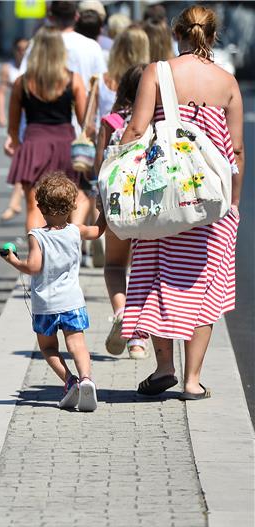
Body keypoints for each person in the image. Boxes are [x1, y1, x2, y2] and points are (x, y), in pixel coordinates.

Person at [119, 5, 243, 400]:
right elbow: (236, 150)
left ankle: (164, 367)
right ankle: (192, 381)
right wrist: (234, 204)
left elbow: (137, 129)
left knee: (158, 278)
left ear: (177, 34)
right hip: (211, 203)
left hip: (164, 200)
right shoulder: (228, 82)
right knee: (204, 287)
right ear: (213, 35)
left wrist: (116, 175)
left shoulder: (158, 72)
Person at [0, 172, 106, 411]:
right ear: (72, 206)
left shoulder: (37, 236)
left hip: (46, 304)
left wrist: (13, 261)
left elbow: (34, 267)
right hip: (72, 301)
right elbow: (99, 231)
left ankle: (70, 381)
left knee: (48, 348)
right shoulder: (76, 231)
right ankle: (87, 378)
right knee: (77, 344)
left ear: (40, 206)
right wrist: (103, 209)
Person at [6, 26, 87, 232]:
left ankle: (36, 256)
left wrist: (15, 145)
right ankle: (64, 253)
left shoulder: (22, 82)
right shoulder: (72, 79)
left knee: (34, 207)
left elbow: (13, 127)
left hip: (34, 144)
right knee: (65, 206)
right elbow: (85, 121)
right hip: (64, 145)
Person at [93, 64, 149, 359]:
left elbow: (98, 168)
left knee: (115, 266)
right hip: (152, 208)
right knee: (146, 270)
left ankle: (120, 312)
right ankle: (138, 340)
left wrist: (99, 207)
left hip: (118, 206)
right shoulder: (159, 121)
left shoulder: (111, 121)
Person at [0, 37, 29, 223]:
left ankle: (15, 203)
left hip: (32, 117)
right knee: (21, 159)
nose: (22, 51)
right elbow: (1, 92)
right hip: (20, 117)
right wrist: (2, 114)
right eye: (19, 48)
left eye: (26, 48)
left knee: (22, 160)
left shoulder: (33, 65)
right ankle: (15, 202)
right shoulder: (8, 68)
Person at [97, 26, 150, 119]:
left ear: (117, 48)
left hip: (105, 130)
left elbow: (90, 122)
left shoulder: (101, 79)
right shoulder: (149, 81)